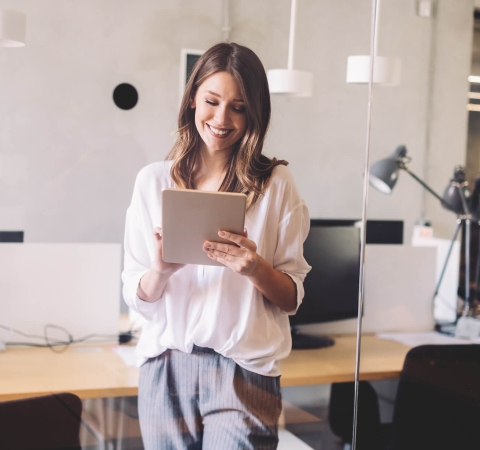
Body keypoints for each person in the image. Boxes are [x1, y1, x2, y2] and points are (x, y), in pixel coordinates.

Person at [122, 42, 311, 450]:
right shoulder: (152, 182)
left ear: (254, 113)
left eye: (239, 108)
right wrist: (159, 272)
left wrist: (254, 268)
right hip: (166, 367)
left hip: (243, 372)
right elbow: (138, 299)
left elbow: (291, 298)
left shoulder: (275, 184)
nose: (222, 119)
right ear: (193, 99)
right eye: (212, 101)